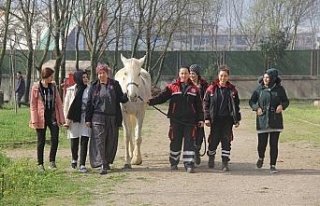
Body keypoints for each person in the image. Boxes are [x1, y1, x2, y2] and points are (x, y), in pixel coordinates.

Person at [147, 66, 204, 173]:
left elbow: (199, 106)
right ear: (179, 74)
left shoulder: (194, 89)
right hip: (175, 120)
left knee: (189, 143)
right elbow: (162, 97)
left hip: (190, 122)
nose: (184, 75)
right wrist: (151, 101)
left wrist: (201, 119)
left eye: (186, 73)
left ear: (188, 75)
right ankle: (174, 163)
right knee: (175, 142)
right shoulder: (172, 87)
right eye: (182, 73)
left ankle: (189, 164)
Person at [85, 63, 128, 175]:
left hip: (112, 117)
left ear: (107, 74)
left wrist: (127, 95)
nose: (101, 75)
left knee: (111, 140)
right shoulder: (94, 86)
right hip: (97, 117)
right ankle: (102, 163)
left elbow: (121, 99)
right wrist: (87, 119)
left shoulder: (114, 84)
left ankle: (107, 160)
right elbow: (89, 103)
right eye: (99, 73)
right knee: (99, 140)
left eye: (103, 73)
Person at [249, 68, 289, 174]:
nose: (266, 79)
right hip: (262, 120)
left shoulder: (279, 89)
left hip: (275, 120)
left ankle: (273, 165)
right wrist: (256, 108)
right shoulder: (259, 89)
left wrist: (282, 106)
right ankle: (261, 158)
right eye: (265, 77)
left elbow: (286, 101)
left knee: (274, 144)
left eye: (268, 77)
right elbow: (252, 101)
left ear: (273, 79)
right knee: (262, 144)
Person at [203, 65, 241, 171]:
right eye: (221, 76)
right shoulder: (211, 89)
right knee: (213, 141)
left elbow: (236, 106)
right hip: (215, 120)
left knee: (226, 141)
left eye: (225, 76)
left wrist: (236, 119)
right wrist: (207, 118)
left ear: (228, 77)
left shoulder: (232, 90)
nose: (223, 78)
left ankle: (225, 163)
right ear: (218, 76)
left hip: (227, 120)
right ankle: (211, 156)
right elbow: (205, 104)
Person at [29, 67, 65, 172]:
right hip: (40, 116)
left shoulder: (53, 86)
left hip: (52, 115)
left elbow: (58, 101)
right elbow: (33, 104)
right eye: (51, 76)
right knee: (41, 140)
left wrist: (61, 117)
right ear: (45, 76)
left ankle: (52, 161)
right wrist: (34, 118)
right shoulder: (36, 87)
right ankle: (40, 164)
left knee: (55, 137)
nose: (52, 78)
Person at [63, 70, 91, 173]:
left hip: (85, 119)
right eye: (83, 77)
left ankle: (82, 164)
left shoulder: (90, 89)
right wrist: (66, 120)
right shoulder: (71, 90)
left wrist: (90, 118)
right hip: (73, 118)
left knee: (84, 139)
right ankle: (74, 159)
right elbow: (66, 106)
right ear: (78, 78)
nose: (85, 79)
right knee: (74, 139)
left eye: (86, 77)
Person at [189, 64, 208, 165]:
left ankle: (197, 150)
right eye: (190, 73)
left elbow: (208, 98)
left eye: (193, 73)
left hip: (200, 113)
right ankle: (191, 154)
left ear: (197, 74)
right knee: (190, 134)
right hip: (188, 113)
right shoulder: (186, 84)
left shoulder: (204, 85)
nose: (192, 75)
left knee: (199, 135)